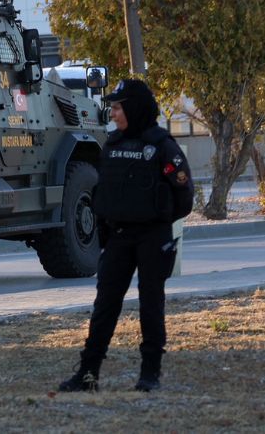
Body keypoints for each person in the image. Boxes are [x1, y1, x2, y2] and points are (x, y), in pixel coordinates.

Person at [58, 78, 194, 393]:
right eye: (113, 108)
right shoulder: (113, 145)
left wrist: (158, 222)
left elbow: (184, 192)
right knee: (104, 306)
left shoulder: (161, 146)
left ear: (133, 108)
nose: (114, 114)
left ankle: (150, 376)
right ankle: (88, 376)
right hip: (119, 238)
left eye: (118, 108)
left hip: (152, 237)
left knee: (150, 305)